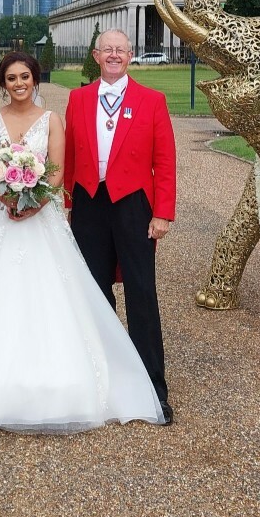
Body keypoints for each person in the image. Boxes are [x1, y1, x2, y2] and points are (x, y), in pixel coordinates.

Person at [0, 52, 165, 433]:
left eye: (24, 76)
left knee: (52, 294)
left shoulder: (52, 120)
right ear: (2, 83)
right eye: (10, 78)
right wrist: (6, 195)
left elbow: (58, 171)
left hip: (39, 215)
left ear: (35, 79)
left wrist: (32, 201)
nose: (18, 83)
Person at [64, 29, 176, 424]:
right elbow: (70, 154)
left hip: (134, 206)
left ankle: (152, 388)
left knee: (142, 295)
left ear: (131, 56)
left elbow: (164, 162)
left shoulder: (152, 100)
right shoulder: (77, 99)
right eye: (107, 49)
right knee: (93, 293)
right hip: (89, 204)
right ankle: (100, 379)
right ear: (96, 55)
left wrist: (162, 212)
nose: (113, 55)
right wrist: (68, 202)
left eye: (120, 50)